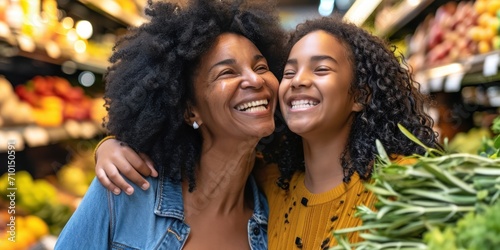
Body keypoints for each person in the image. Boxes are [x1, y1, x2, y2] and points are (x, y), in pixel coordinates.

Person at [93, 16, 438, 249]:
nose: (298, 80)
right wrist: (113, 145)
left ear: (361, 95)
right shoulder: (271, 184)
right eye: (289, 71)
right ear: (188, 108)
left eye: (321, 69)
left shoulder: (406, 185)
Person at [55, 0, 287, 249]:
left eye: (261, 67)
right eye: (227, 72)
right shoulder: (124, 190)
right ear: (189, 110)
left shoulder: (278, 213)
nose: (255, 79)